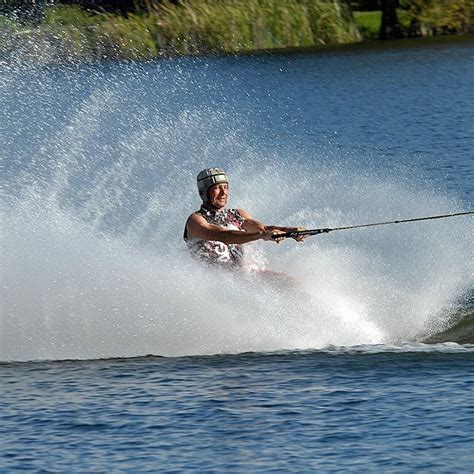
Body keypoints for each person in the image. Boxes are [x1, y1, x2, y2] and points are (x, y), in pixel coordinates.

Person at [184, 167, 306, 271]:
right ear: (204, 192)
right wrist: (261, 235)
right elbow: (223, 235)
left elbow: (263, 228)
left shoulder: (237, 214)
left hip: (242, 276)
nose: (223, 193)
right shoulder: (195, 220)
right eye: (217, 188)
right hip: (214, 283)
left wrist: (290, 230)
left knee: (289, 283)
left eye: (226, 187)